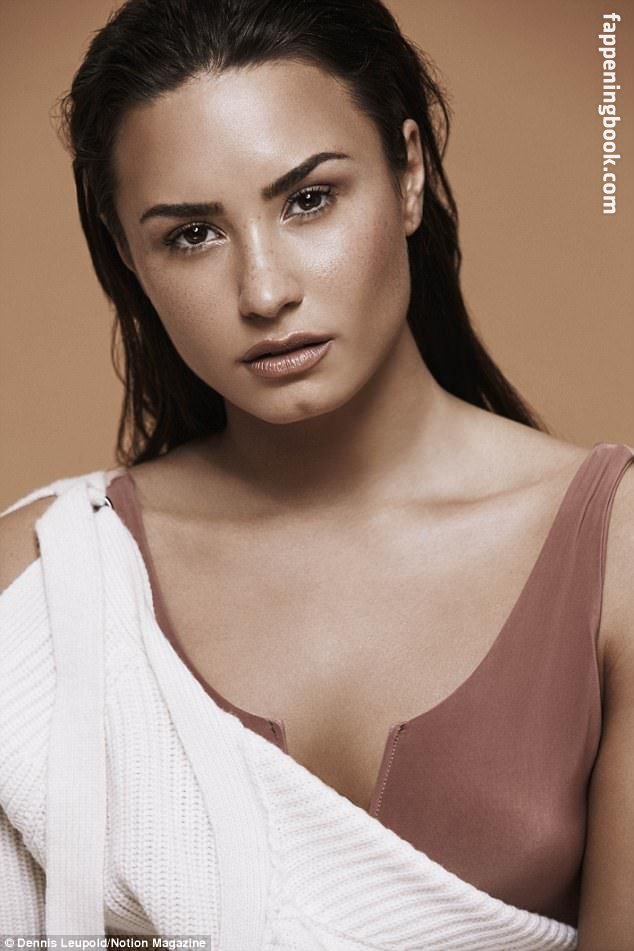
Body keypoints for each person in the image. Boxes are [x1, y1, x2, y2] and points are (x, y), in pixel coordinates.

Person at [0, 0, 632, 945]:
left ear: (409, 173)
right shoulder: (43, 585)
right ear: (129, 254)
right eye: (192, 234)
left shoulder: (616, 556)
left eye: (308, 199)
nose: (265, 291)